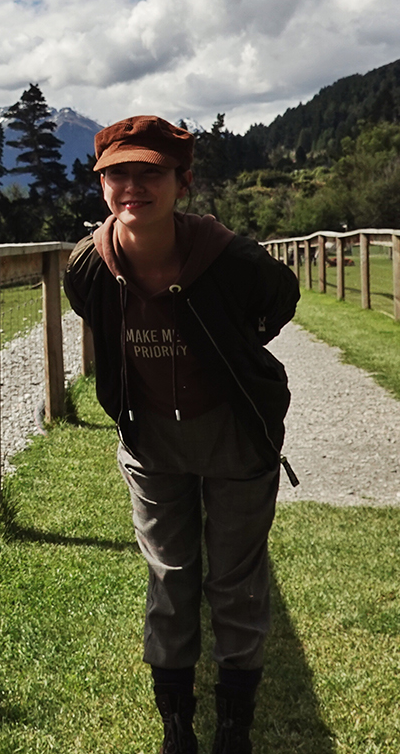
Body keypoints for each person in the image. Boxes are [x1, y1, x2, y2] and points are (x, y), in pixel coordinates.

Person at [62, 115, 300, 754]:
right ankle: (177, 732)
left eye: (151, 172)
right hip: (151, 443)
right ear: (101, 183)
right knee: (170, 579)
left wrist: (231, 351)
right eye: (117, 174)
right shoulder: (89, 268)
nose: (132, 186)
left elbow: (280, 299)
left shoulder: (233, 261)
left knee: (235, 580)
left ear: (183, 182)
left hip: (235, 436)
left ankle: (233, 732)